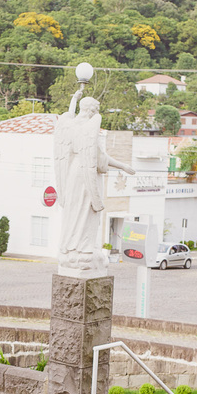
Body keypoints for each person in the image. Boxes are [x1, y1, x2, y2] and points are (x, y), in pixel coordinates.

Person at [53, 88, 134, 274]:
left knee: (73, 211)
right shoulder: (89, 128)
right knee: (86, 212)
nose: (97, 114)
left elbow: (69, 115)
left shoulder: (68, 125)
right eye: (96, 110)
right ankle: (84, 251)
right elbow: (99, 157)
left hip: (73, 174)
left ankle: (69, 249)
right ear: (91, 111)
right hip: (86, 174)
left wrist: (74, 98)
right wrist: (122, 166)